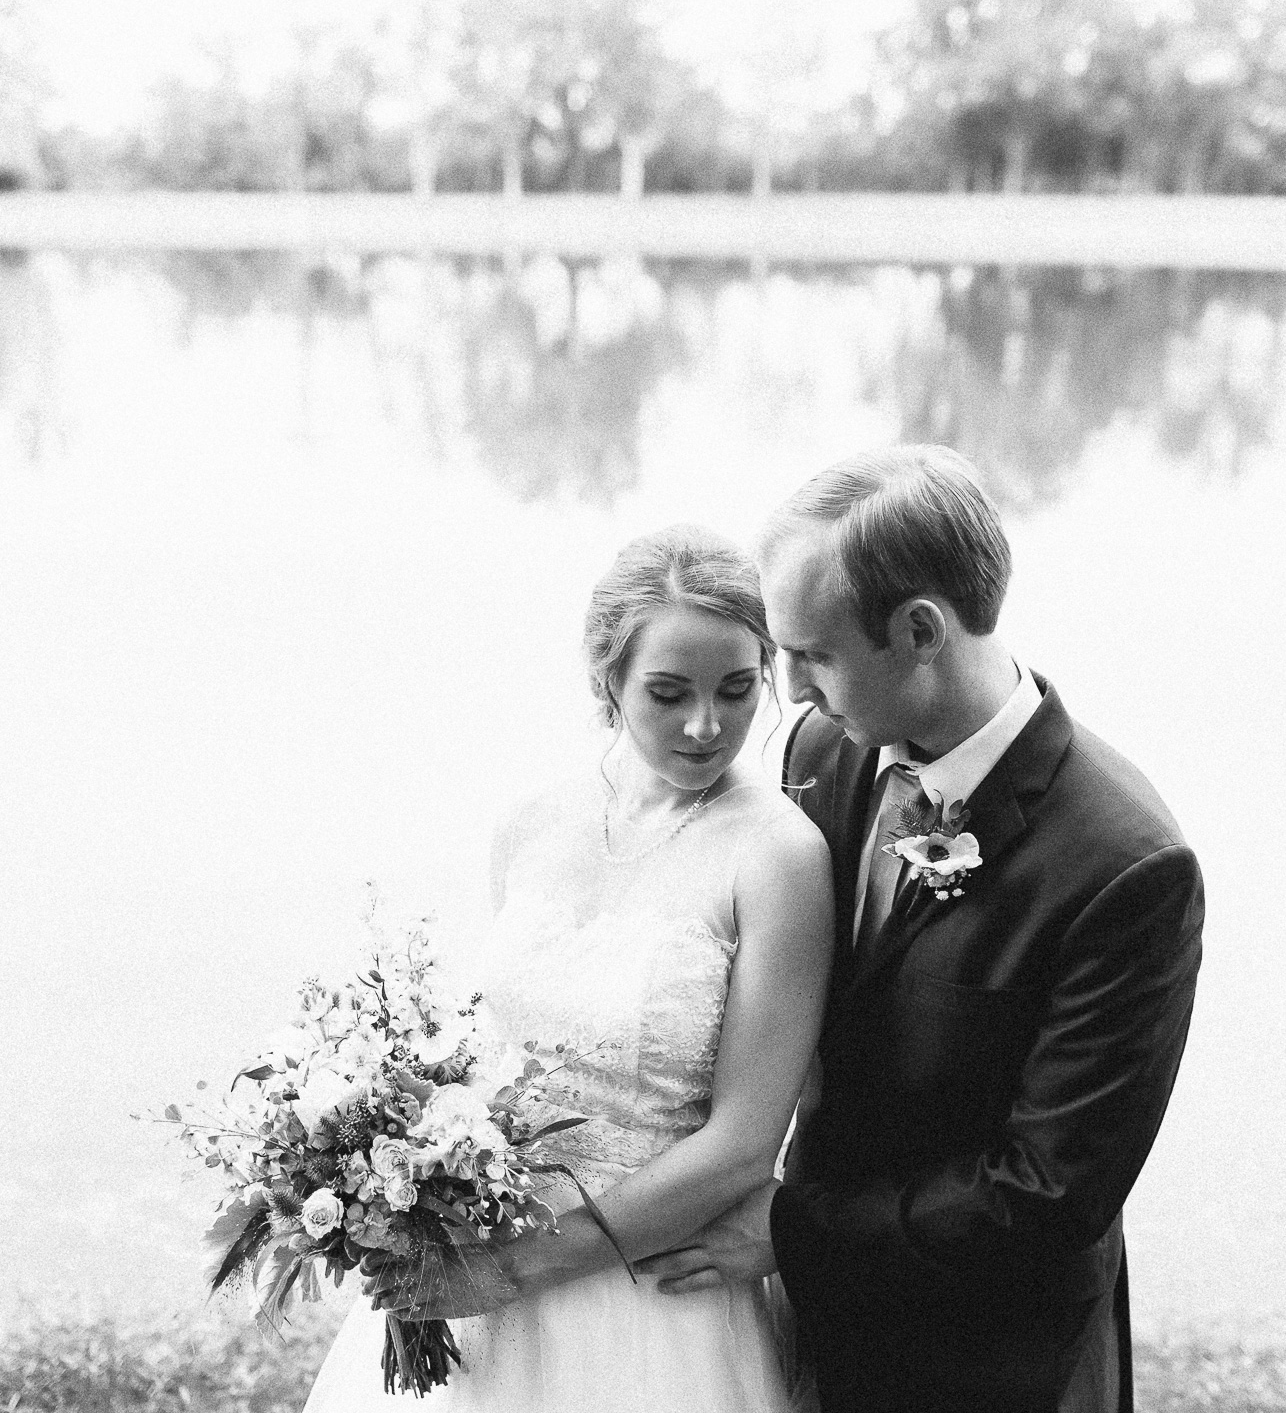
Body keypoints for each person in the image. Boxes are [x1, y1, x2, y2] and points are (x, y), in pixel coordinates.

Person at [644, 446, 1204, 1413]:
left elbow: (1045, 1196)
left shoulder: (1127, 869)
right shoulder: (824, 751)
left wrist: (789, 1230)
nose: (791, 688)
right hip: (802, 1326)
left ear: (918, 631)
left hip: (990, 1362)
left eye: (813, 654)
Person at [301, 524, 834, 1413]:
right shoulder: (531, 824)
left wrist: (515, 1270)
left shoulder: (779, 855)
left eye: (738, 690)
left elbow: (743, 1142)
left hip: (647, 1293)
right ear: (607, 682)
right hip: (475, 1263)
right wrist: (404, 1181)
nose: (708, 726)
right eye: (669, 693)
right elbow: (482, 1060)